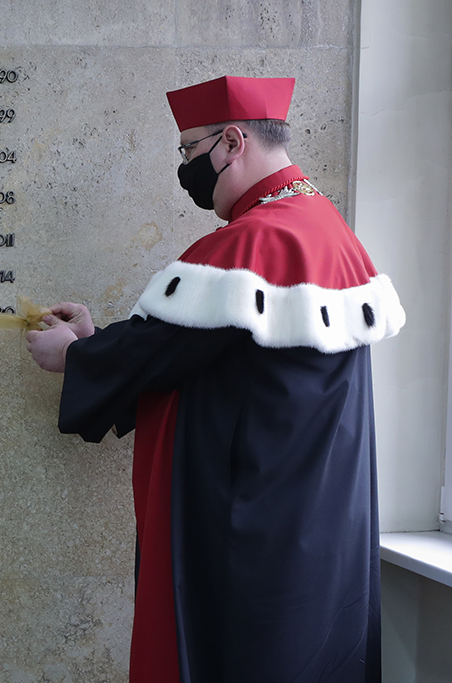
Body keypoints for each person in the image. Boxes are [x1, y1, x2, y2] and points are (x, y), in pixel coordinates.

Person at [26, 76, 405, 682]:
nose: (185, 169)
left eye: (188, 151)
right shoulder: (324, 225)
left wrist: (74, 358)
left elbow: (170, 345)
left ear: (232, 142)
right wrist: (100, 345)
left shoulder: (253, 241)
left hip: (248, 529)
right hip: (318, 524)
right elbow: (197, 350)